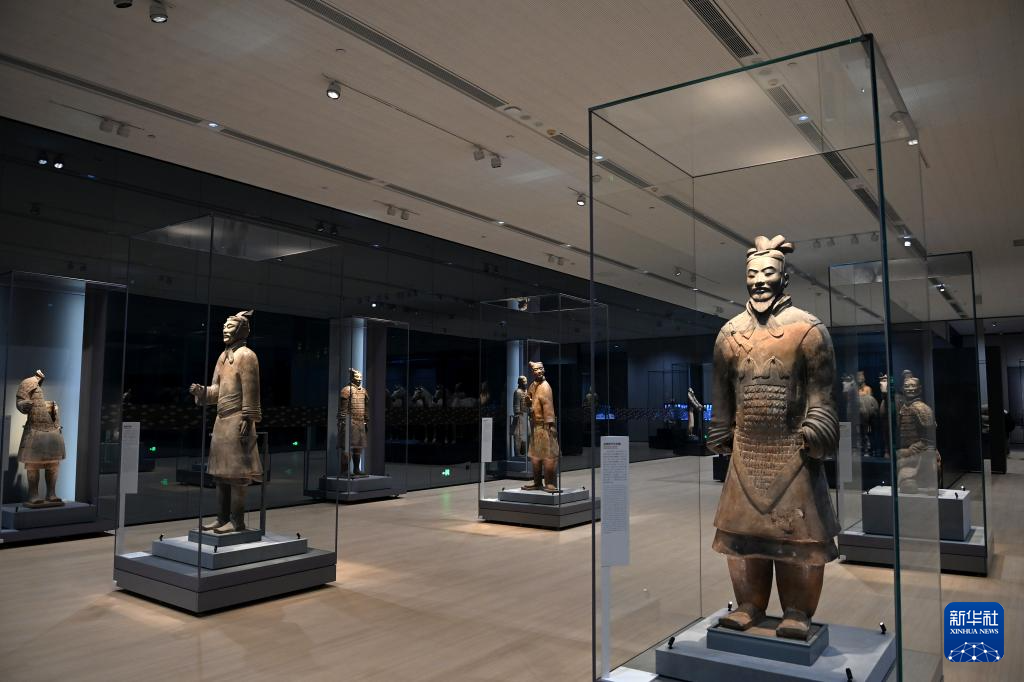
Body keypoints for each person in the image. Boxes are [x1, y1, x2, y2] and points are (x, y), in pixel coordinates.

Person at [707, 235, 840, 640]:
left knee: (799, 540)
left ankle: (797, 610)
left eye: (768, 273)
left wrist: (818, 429)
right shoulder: (729, 333)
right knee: (742, 537)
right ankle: (749, 604)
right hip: (746, 451)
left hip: (792, 452)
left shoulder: (808, 330)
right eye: (752, 274)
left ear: (784, 277)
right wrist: (720, 428)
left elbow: (821, 395)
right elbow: (723, 394)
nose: (759, 281)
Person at [189, 310, 262, 534]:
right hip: (221, 422)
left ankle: (237, 521)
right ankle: (221, 518)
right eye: (224, 327)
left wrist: (248, 417)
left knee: (237, 475)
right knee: (221, 474)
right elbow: (217, 391)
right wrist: (202, 392)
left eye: (230, 327)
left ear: (242, 330)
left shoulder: (247, 355)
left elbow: (252, 389)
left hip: (238, 419)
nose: (225, 330)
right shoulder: (222, 357)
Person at [522, 361, 560, 492]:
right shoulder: (532, 385)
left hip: (545, 425)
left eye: (540, 369)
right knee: (535, 456)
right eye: (535, 370)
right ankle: (537, 482)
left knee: (549, 455)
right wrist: (528, 402)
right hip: (535, 425)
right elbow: (529, 404)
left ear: (543, 370)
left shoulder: (545, 386)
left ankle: (550, 483)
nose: (538, 371)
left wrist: (551, 426)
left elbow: (548, 407)